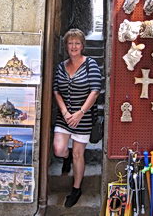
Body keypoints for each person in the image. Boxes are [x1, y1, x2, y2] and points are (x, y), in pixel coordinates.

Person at [53, 28, 102, 208]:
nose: (73, 46)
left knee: (78, 154)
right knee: (59, 149)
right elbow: (56, 90)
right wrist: (66, 112)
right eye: (70, 43)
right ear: (66, 46)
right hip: (64, 116)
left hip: (83, 117)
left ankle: (76, 188)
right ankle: (65, 158)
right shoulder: (61, 66)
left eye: (77, 43)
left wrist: (80, 113)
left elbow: (95, 91)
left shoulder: (91, 65)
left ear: (82, 45)